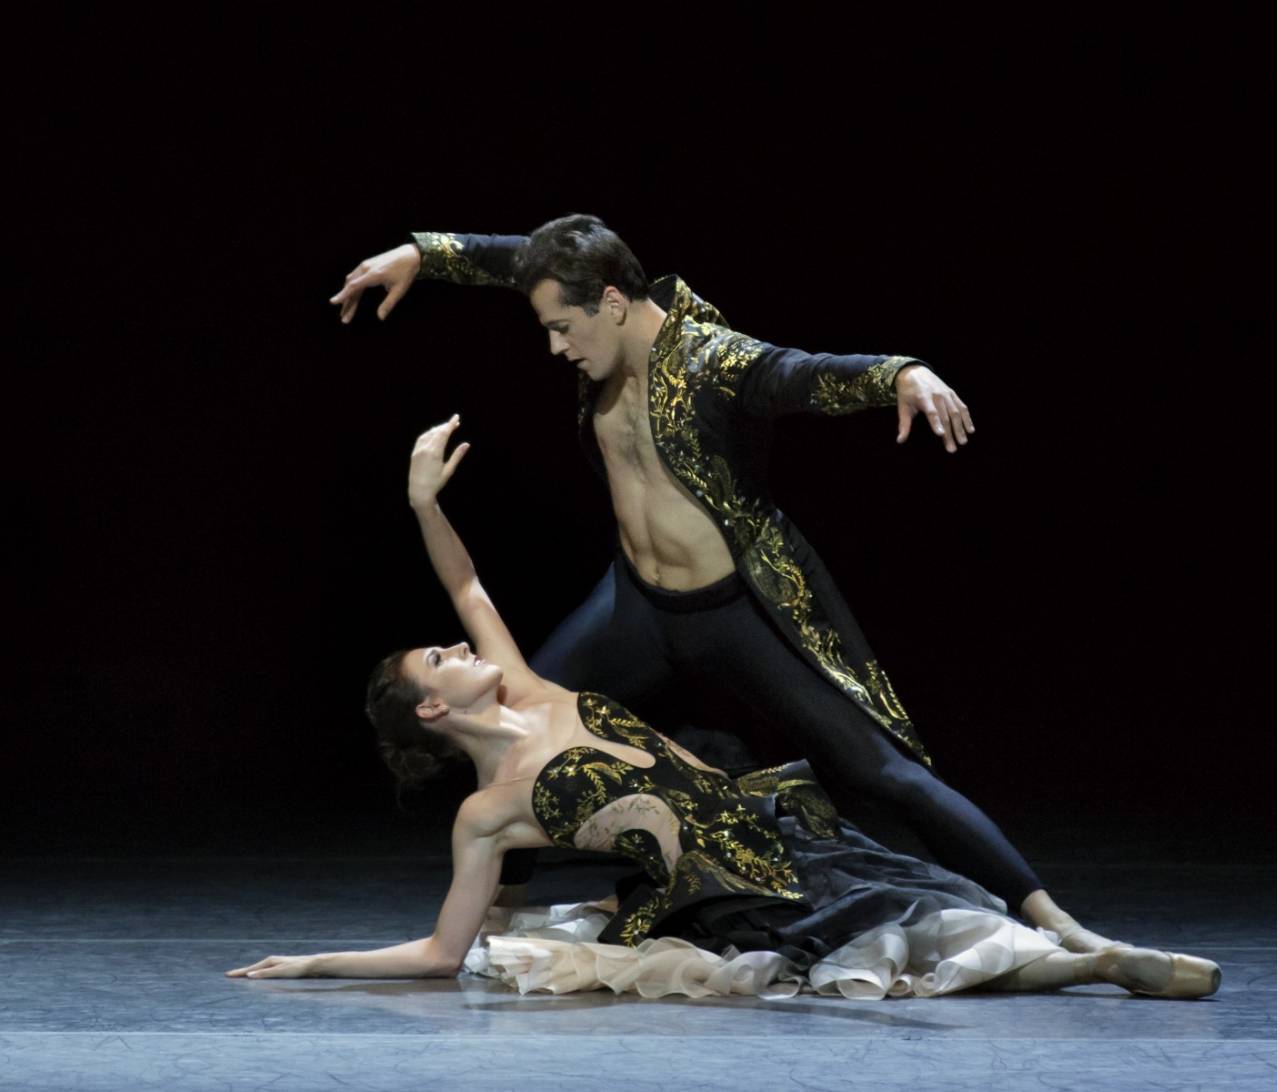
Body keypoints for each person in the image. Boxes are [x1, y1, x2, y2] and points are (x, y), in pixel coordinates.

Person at [227, 418, 1220, 999]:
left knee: (930, 900)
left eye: (446, 646)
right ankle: (1097, 968)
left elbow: (469, 588)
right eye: (438, 660)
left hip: (768, 820)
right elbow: (444, 952)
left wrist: (421, 502)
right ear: (432, 712)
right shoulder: (485, 811)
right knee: (920, 939)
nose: (455, 649)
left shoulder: (527, 685)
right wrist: (314, 961)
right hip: (727, 895)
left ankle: (1080, 952)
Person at [327, 216, 1099, 952]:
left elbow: (801, 373)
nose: (557, 348)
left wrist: (900, 373)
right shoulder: (586, 301)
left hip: (733, 610)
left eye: (564, 329)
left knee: (881, 771)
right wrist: (423, 256)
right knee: (513, 721)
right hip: (633, 605)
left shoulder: (711, 359)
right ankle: (498, 912)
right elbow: (519, 257)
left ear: (615, 302)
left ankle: (1054, 918)